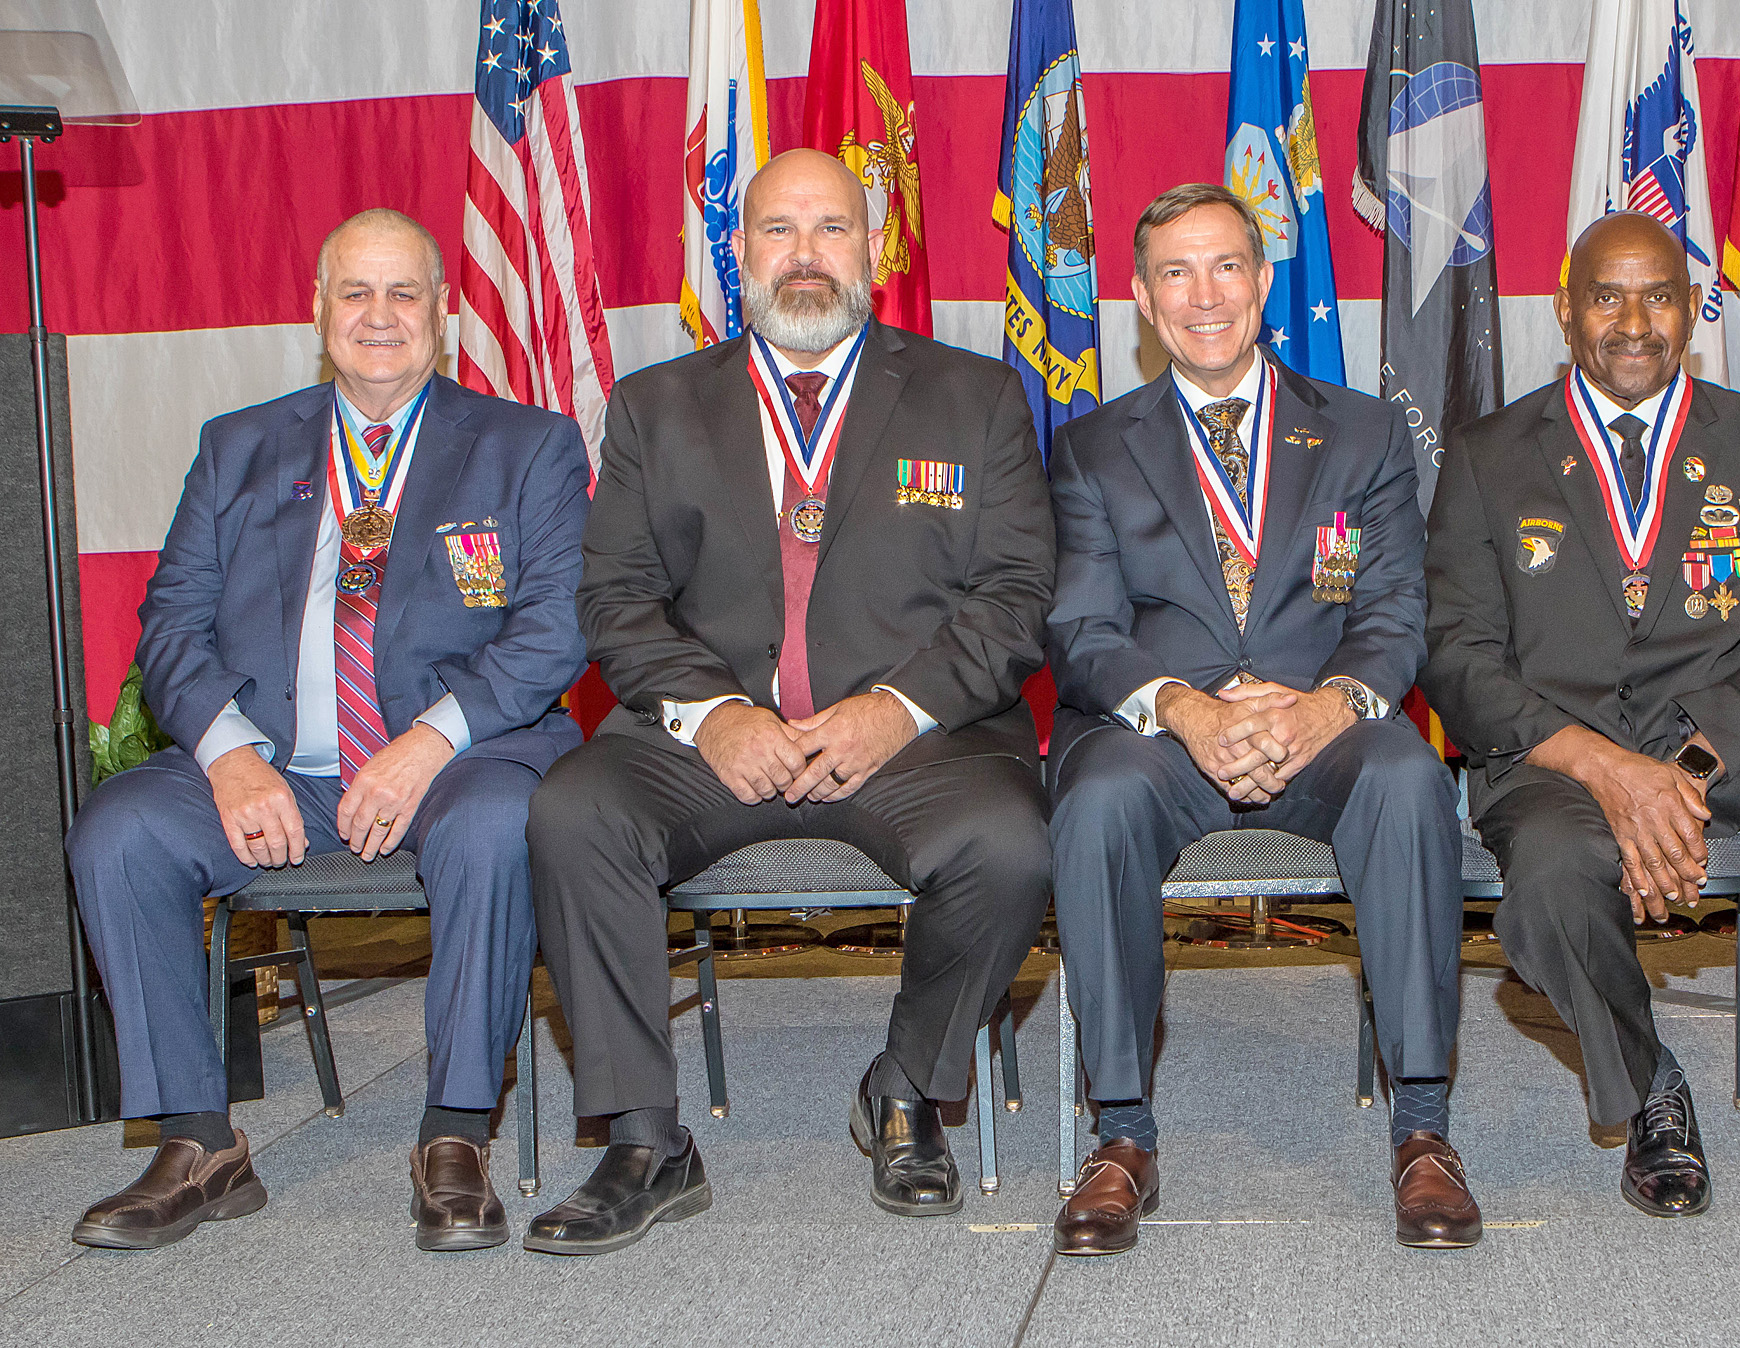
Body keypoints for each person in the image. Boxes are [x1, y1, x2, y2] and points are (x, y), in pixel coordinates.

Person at [521, 149, 1054, 1256]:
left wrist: (892, 711)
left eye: (831, 229)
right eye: (778, 231)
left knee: (1009, 844)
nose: (805, 256)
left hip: (918, 740)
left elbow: (1016, 599)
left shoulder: (977, 397)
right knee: (572, 813)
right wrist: (713, 714)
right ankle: (645, 1138)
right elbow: (613, 599)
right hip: (708, 736)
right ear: (739, 252)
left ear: (875, 250)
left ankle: (906, 1090)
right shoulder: (656, 406)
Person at [66, 209, 591, 1252]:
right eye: (356, 292)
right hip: (278, 769)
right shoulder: (239, 447)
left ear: (443, 314)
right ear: (319, 312)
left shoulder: (527, 446)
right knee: (120, 831)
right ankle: (199, 1140)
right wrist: (227, 758)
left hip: (462, 757)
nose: (380, 316)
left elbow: (559, 627)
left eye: (405, 294)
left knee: (496, 828)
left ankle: (453, 1137)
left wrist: (431, 740)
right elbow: (169, 624)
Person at [1420, 211, 1740, 1241]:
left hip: (1734, 747)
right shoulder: (1487, 456)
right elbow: (1458, 660)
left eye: (1658, 295)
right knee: (1556, 876)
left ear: (1692, 312)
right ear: (1566, 310)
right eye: (1607, 295)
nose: (1634, 320)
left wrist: (1687, 768)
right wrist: (1612, 773)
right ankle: (1651, 1083)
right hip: (1560, 758)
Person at [1044, 183, 1476, 1255]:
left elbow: (1395, 611)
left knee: (1410, 777)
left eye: (1226, 266)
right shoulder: (1093, 448)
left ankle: (1422, 1129)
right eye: (1176, 273)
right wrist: (1186, 710)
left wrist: (1329, 707)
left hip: (1319, 727)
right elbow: (1083, 630)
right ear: (1142, 299)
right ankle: (1121, 1136)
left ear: (1263, 280)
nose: (1205, 295)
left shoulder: (1364, 433)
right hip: (1162, 737)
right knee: (1094, 798)